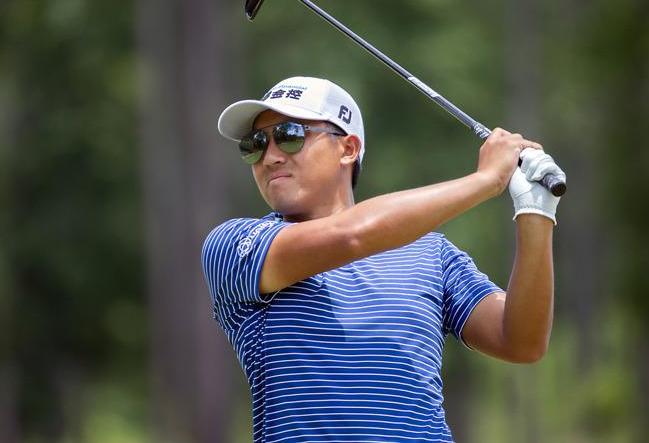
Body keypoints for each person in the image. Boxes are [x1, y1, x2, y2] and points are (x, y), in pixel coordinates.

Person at [201, 76, 564, 442]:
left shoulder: (432, 252)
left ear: (347, 148)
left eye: (289, 135)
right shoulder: (235, 247)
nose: (270, 156)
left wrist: (535, 212)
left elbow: (522, 342)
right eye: (255, 144)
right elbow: (351, 236)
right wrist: (485, 180)